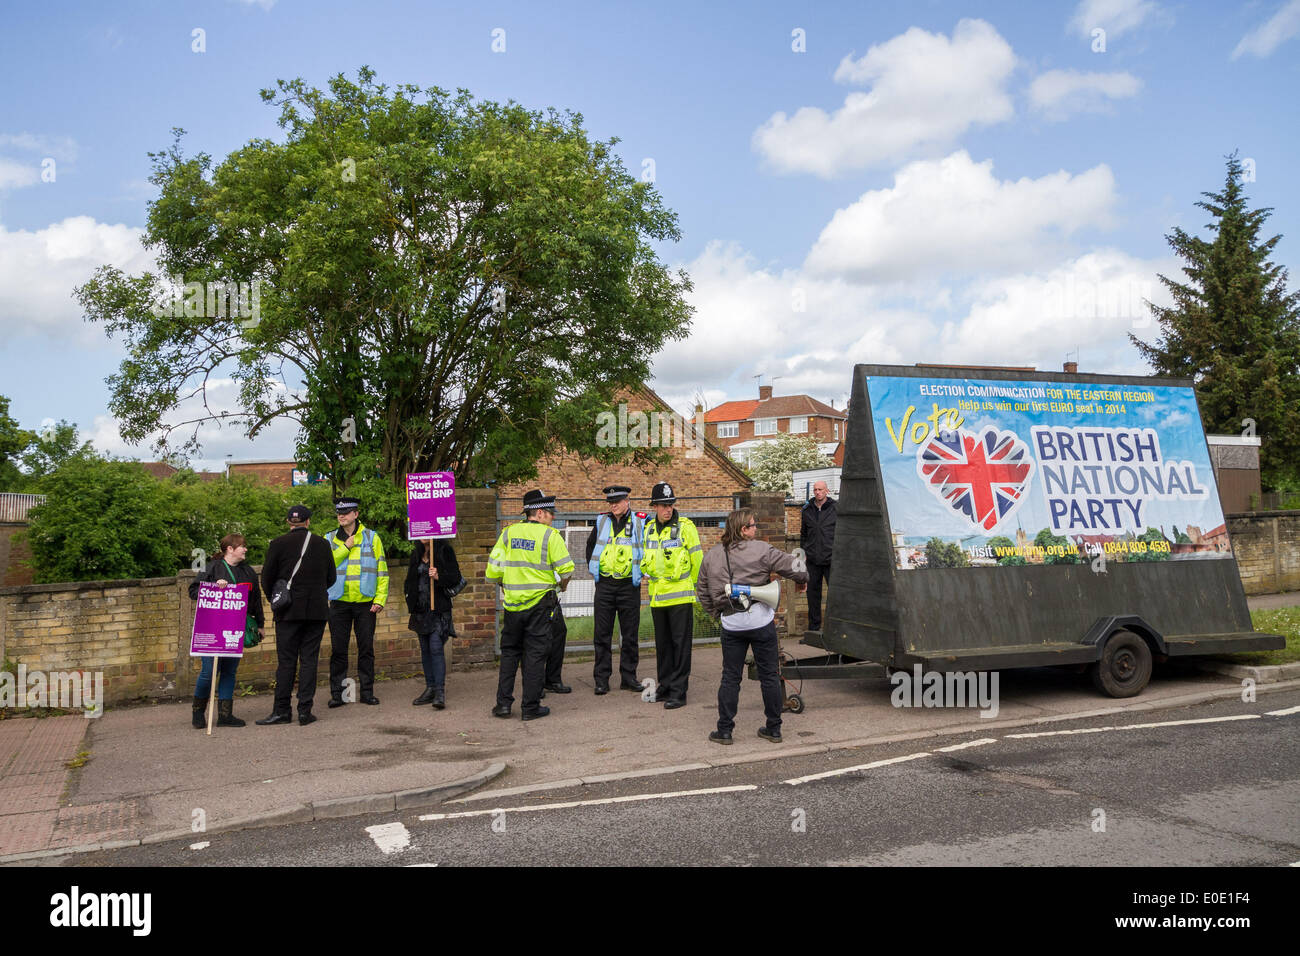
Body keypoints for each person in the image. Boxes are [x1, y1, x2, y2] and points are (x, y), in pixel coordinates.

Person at [696, 508, 808, 745]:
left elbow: (703, 591)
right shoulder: (761, 549)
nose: (757, 529)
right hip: (760, 621)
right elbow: (793, 565)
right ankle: (774, 728)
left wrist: (718, 613)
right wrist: (803, 580)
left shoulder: (712, 555)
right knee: (769, 676)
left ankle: (724, 731)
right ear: (743, 529)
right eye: (753, 525)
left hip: (731, 623)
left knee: (730, 678)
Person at [486, 490, 575, 720]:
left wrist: (504, 585)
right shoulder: (550, 536)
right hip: (540, 607)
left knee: (509, 654)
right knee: (535, 654)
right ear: (538, 513)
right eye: (550, 513)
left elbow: (492, 570)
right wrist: (562, 586)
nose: (552, 517)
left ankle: (503, 704)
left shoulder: (507, 534)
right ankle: (530, 708)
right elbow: (567, 569)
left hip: (513, 606)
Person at [257, 505, 337, 726]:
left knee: (286, 662)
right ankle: (305, 711)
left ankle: (282, 711)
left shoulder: (277, 544)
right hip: (316, 611)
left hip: (288, 611)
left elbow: (266, 579)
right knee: (309, 660)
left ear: (288, 522)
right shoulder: (322, 544)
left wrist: (276, 600)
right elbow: (331, 577)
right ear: (308, 522)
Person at [188, 533, 265, 729]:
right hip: (212, 627)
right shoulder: (211, 567)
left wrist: (261, 625)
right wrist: (214, 587)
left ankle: (225, 715)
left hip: (236, 628)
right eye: (242, 546)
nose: (245, 549)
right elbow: (193, 591)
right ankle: (198, 713)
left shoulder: (248, 572)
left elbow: (255, 600)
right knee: (208, 672)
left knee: (230, 671)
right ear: (230, 549)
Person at [640, 481, 702, 709]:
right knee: (663, 646)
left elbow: (697, 561)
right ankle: (665, 686)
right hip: (658, 597)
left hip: (681, 597)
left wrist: (700, 589)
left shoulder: (686, 527)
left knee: (680, 646)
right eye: (662, 505)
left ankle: (679, 691)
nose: (667, 509)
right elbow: (646, 559)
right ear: (654, 506)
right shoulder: (648, 529)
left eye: (670, 504)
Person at [325, 497, 389, 708]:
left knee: (366, 649)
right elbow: (324, 567)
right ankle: (339, 694)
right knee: (339, 650)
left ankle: (367, 693)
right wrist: (345, 547)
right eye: (339, 512)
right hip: (339, 603)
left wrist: (380, 599)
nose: (341, 515)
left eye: (346, 511)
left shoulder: (372, 537)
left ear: (356, 514)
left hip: (365, 603)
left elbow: (381, 570)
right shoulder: (330, 538)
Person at [585, 485, 644, 694]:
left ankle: (629, 677)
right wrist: (595, 571)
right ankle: (601, 679)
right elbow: (590, 547)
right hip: (605, 586)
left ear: (627, 501)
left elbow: (646, 546)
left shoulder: (639, 521)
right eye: (610, 502)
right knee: (602, 635)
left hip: (629, 585)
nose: (613, 505)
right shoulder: (602, 521)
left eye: (617, 502)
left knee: (630, 635)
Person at [404, 538, 462, 709]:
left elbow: (455, 577)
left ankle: (439, 692)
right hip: (420, 611)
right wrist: (408, 596)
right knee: (425, 649)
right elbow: (409, 580)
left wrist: (438, 576)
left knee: (436, 647)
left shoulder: (445, 551)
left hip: (438, 610)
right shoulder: (416, 553)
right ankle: (429, 688)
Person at [799, 480, 837, 632]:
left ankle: (835, 630)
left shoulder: (836, 508)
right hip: (813, 560)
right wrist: (803, 554)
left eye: (820, 489)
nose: (817, 492)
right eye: (815, 490)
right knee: (813, 597)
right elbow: (803, 535)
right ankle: (813, 630)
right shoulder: (807, 510)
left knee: (835, 596)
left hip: (831, 559)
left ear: (826, 491)